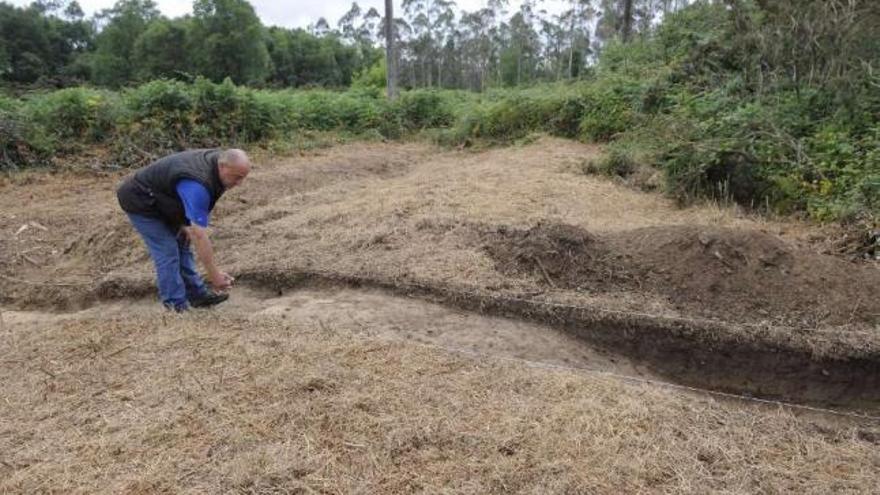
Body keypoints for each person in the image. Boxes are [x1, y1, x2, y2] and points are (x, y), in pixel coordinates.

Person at [116, 148, 251, 311]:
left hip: (163, 198)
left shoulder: (219, 164)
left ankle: (197, 295)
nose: (239, 183)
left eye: (243, 178)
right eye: (237, 177)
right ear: (222, 167)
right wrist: (214, 275)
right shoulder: (198, 184)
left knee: (183, 242)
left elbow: (180, 194)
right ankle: (175, 305)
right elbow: (199, 235)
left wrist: (184, 223)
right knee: (167, 250)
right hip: (140, 200)